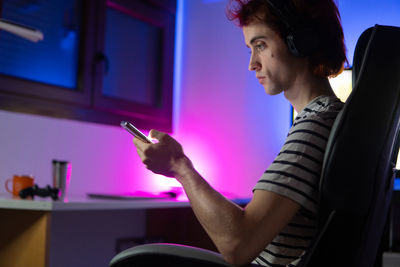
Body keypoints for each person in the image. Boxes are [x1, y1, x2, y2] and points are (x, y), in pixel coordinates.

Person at [132, 0, 347, 266]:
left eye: (260, 45)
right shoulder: (332, 118)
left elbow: (238, 244)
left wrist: (179, 167)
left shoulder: (316, 125)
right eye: (250, 49)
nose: (252, 64)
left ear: (301, 42)